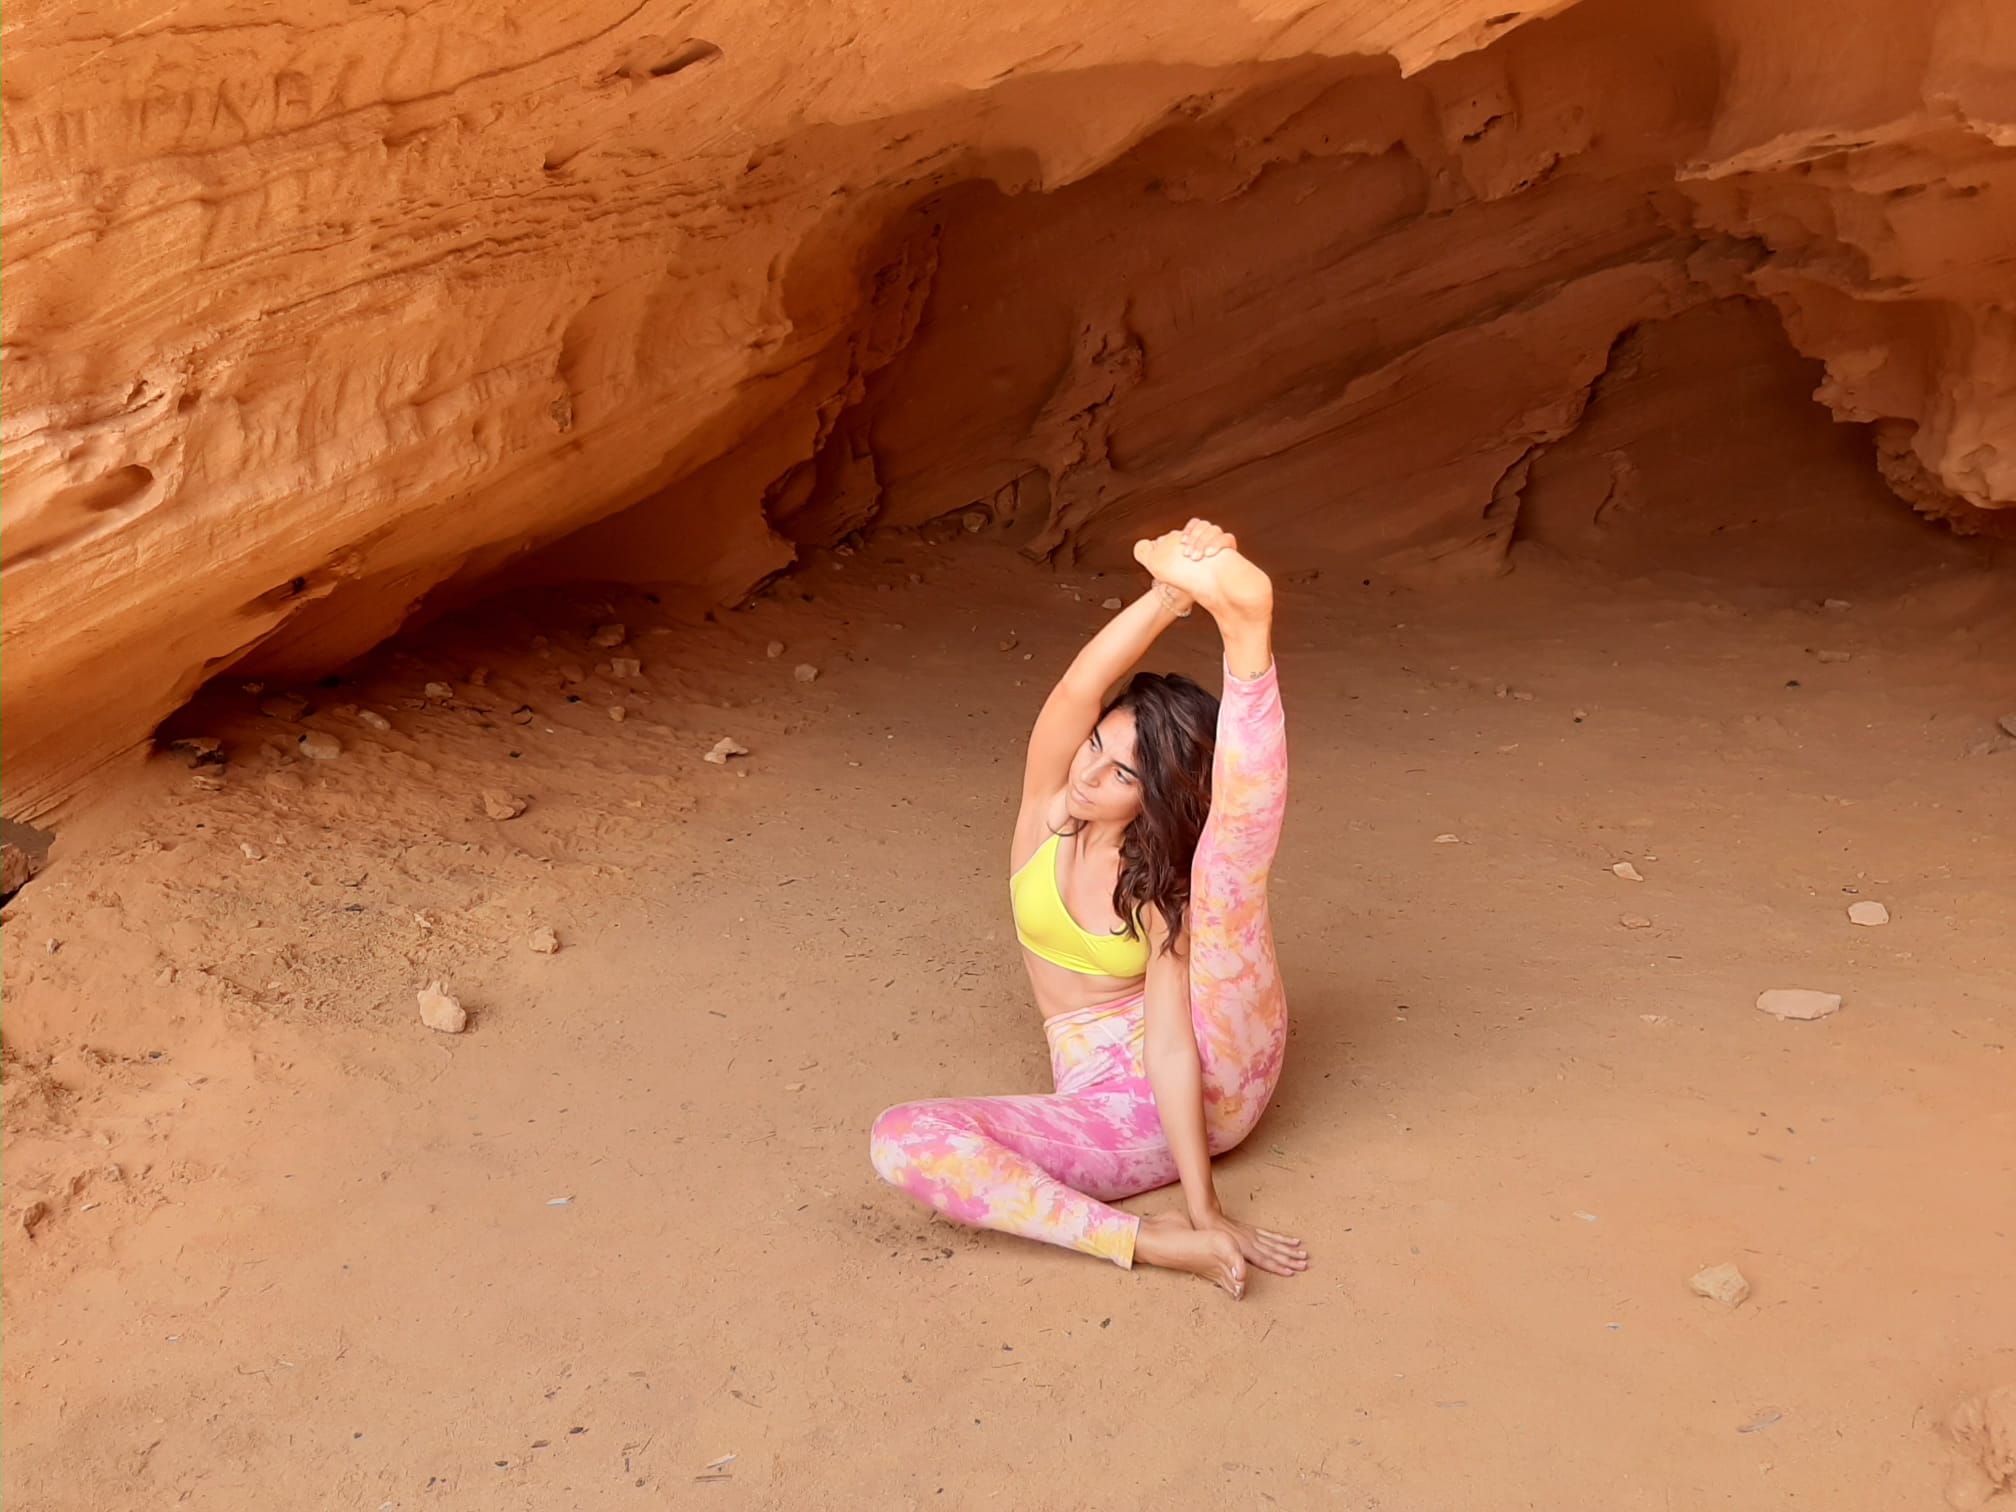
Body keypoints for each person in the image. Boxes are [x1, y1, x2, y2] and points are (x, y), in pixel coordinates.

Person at [869, 519, 1307, 1298]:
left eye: (1122, 773)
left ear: (1157, 798)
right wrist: (1167, 596)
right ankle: (1147, 1244)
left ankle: (1249, 637)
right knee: (903, 1141)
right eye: (1096, 747)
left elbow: (1172, 1050)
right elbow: (1077, 687)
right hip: (1108, 1107)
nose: (1090, 774)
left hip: (1214, 1071)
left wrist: (1204, 1203)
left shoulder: (1162, 888)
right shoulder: (1046, 807)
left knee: (1228, 881)